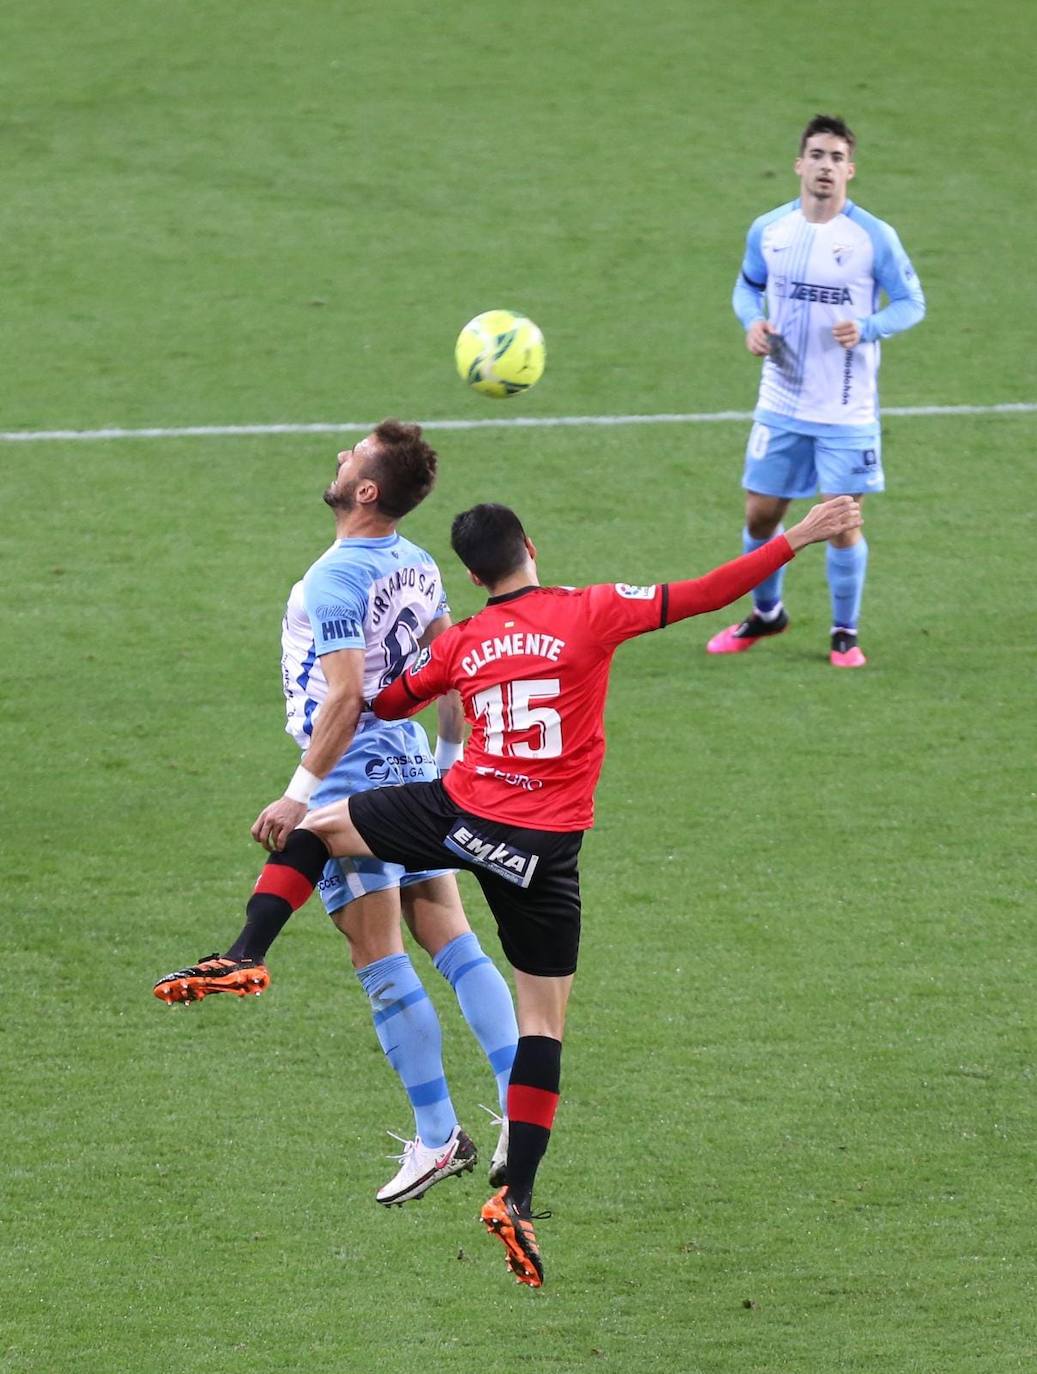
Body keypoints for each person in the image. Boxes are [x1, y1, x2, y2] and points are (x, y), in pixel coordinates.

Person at [226, 494, 862, 1286]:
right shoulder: (592, 611)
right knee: (542, 1024)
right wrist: (797, 536)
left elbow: (386, 702)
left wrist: (374, 663)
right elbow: (706, 591)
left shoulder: (462, 639)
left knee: (319, 827)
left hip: (458, 816)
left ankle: (244, 950)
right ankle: (515, 1195)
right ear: (530, 546)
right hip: (542, 852)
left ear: (469, 572)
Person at [153, 421, 518, 1206]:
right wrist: (447, 770)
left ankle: (436, 1135)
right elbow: (450, 674)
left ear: (365, 491)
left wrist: (297, 789)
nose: (340, 455)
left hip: (349, 774)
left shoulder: (335, 580)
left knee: (379, 959)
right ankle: (519, 1108)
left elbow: (346, 697)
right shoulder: (417, 564)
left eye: (351, 454)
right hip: (413, 763)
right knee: (448, 937)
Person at [707, 113, 925, 668]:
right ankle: (767, 614)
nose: (826, 167)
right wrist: (751, 323)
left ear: (849, 170)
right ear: (799, 164)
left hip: (846, 409)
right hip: (781, 401)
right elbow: (746, 286)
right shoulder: (770, 230)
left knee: (841, 521)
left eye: (836, 158)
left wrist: (870, 327)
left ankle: (844, 632)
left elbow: (910, 303)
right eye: (817, 156)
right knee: (759, 515)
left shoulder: (873, 237)